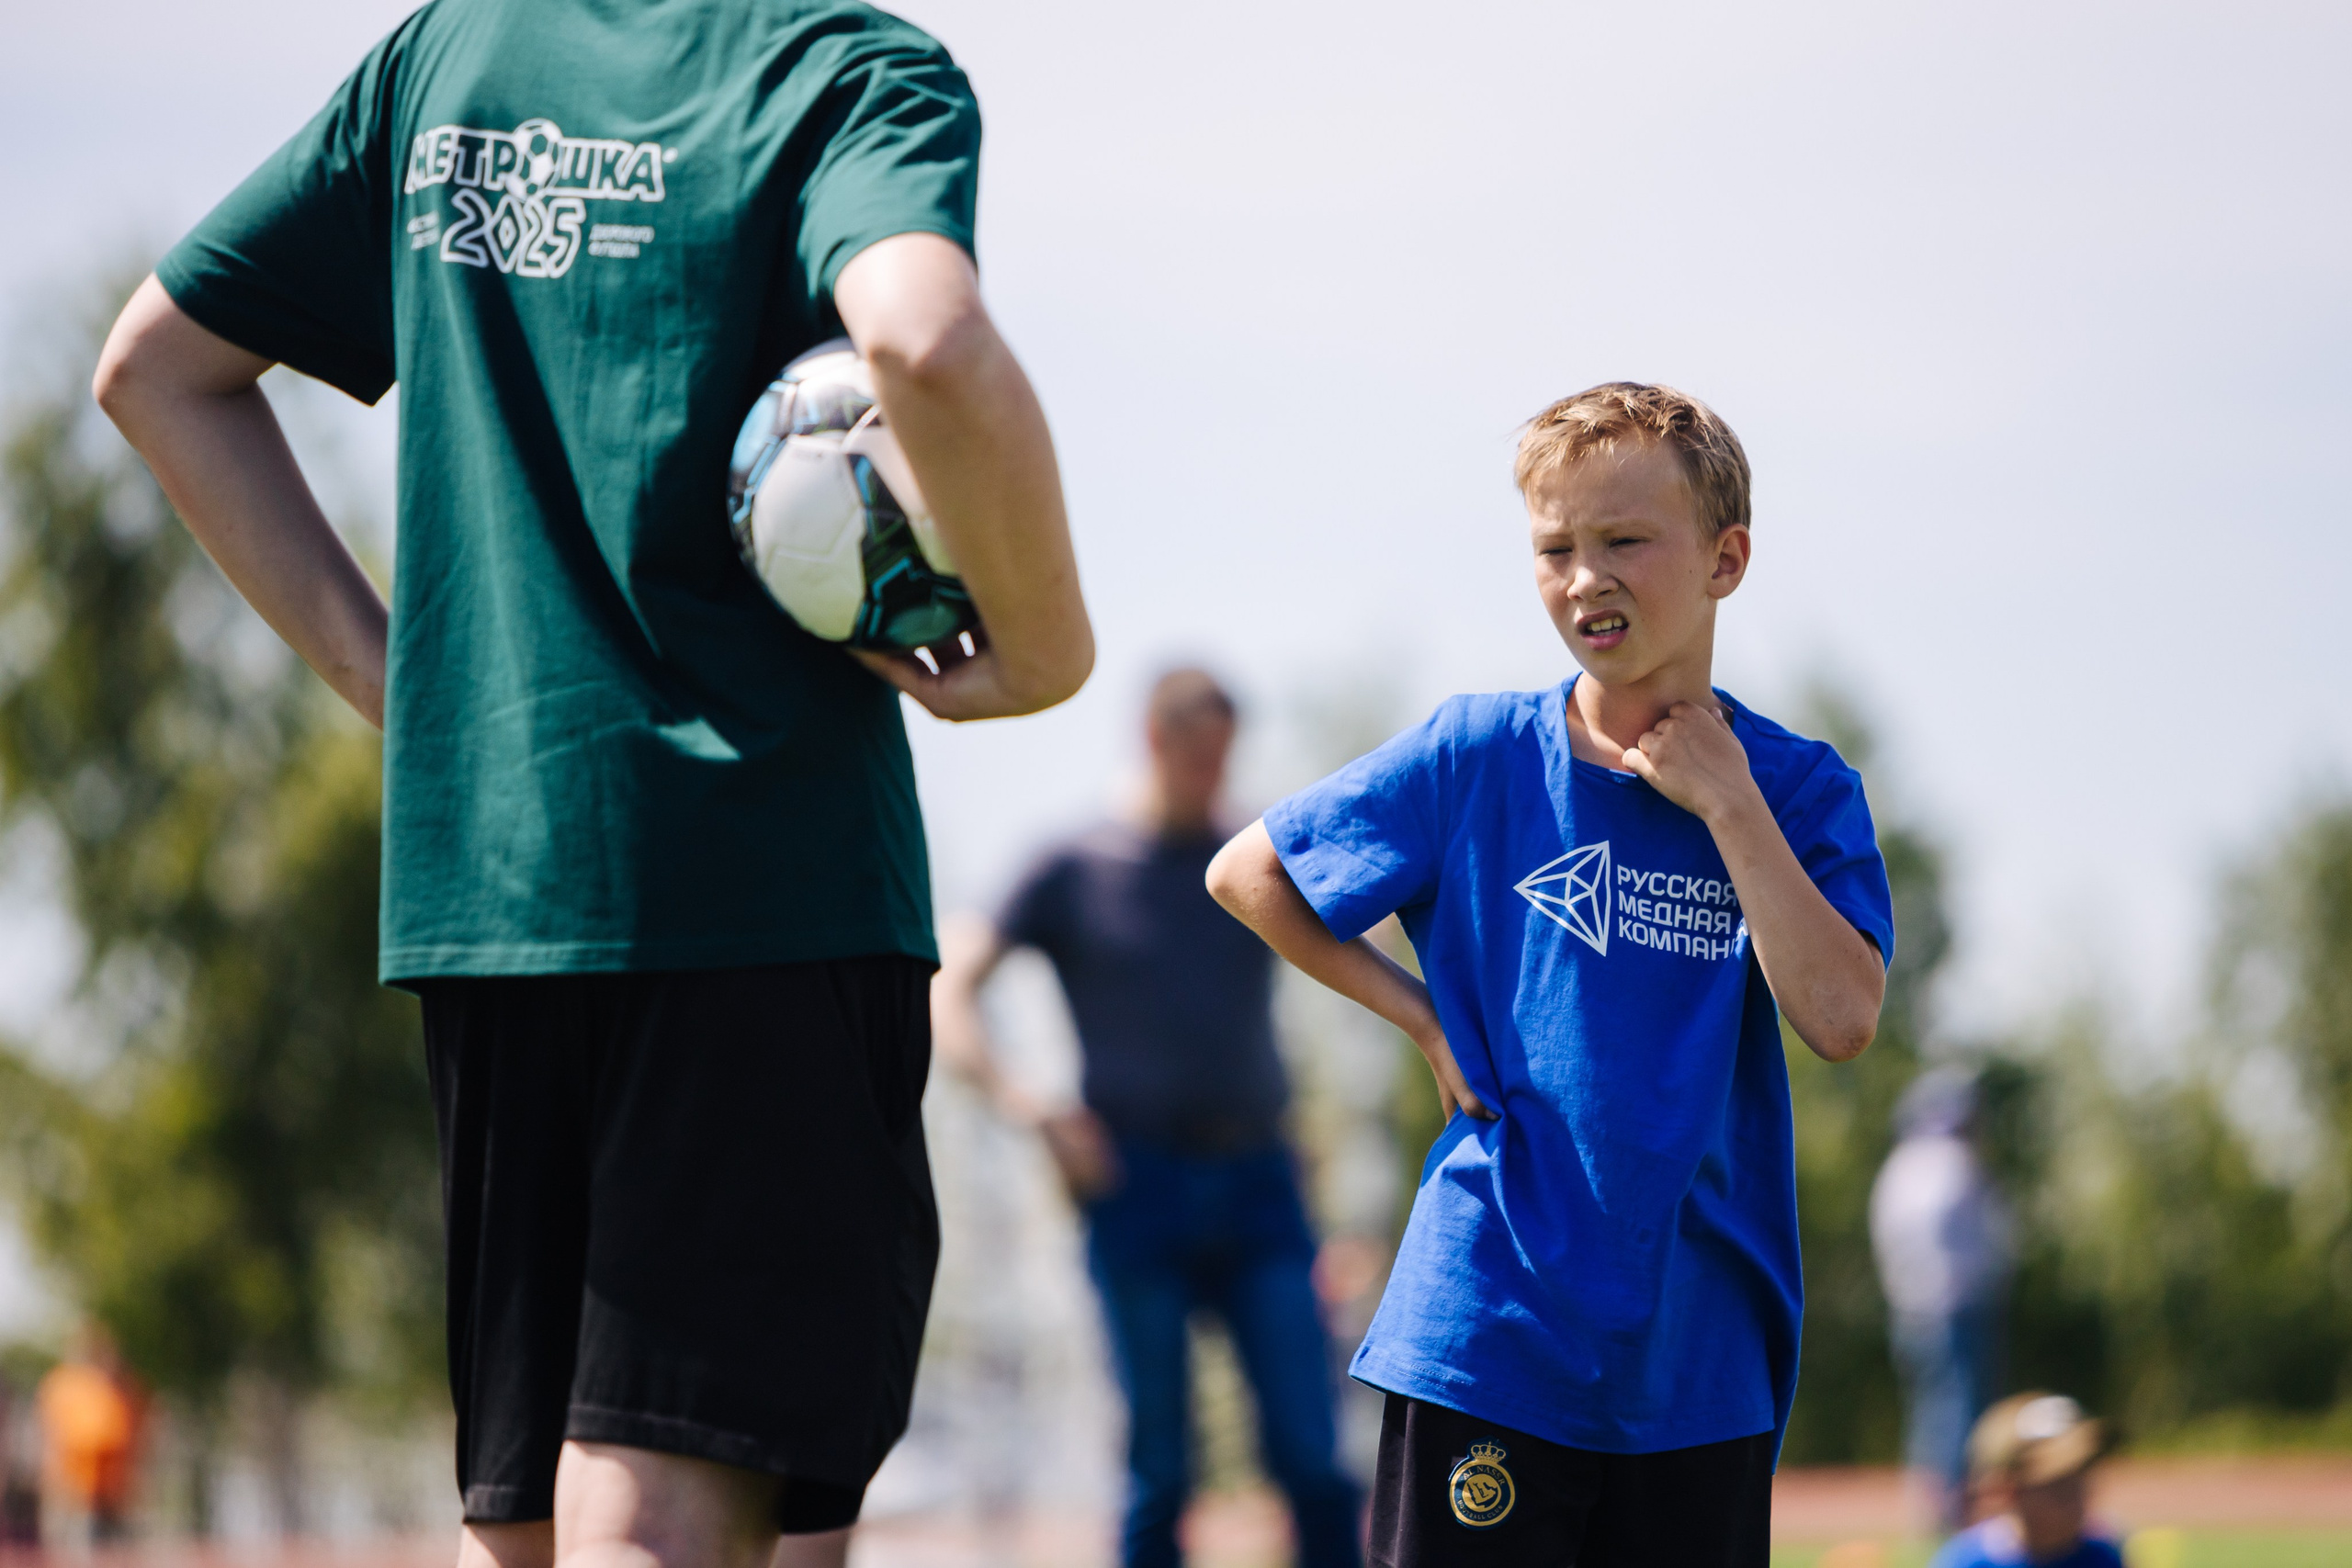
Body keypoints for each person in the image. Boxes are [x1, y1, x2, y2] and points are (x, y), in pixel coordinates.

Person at [91, 4, 1093, 1567]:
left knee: (538, 1522)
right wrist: (1049, 648)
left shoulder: (451, 58)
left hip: (495, 896)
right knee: (671, 1516)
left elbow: (156, 369)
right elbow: (924, 340)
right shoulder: (840, 69)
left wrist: (409, 695)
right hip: (757, 889)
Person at [1208, 384, 1894, 1567]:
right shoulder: (1476, 752)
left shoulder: (1797, 789)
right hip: (1489, 1330)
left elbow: (1840, 1019)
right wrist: (1422, 1021)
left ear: (1726, 560)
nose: (1585, 579)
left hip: (1698, 1364)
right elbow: (1247, 873)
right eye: (1554, 548)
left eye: (1624, 541)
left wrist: (1727, 802)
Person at [931, 669, 1362, 1568]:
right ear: (1155, 741)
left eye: (1226, 759)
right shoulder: (1073, 866)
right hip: (1134, 1187)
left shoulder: (1250, 861)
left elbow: (1368, 933)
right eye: (1202, 759)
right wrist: (1032, 1110)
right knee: (1158, 1470)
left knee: (1314, 1459)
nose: (1217, 779)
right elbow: (951, 987)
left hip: (1261, 1184)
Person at [1871, 1066, 2015, 1530]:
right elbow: (1994, 1239)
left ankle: (1930, 1504)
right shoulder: (1957, 1164)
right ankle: (1958, 1509)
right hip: (1958, 1306)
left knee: (1927, 1408)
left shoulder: (1897, 1167)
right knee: (1963, 1409)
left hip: (1906, 1308)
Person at [1928, 1394, 2122, 1568]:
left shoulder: (2102, 1557)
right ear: (2004, 1491)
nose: (2077, 1497)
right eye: (2058, 1486)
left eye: (2081, 1478)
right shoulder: (1967, 1562)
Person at [36, 1324, 144, 1549]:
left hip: (106, 1490)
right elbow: (58, 1435)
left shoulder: (115, 1387)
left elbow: (122, 1435)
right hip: (74, 1487)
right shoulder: (66, 1385)